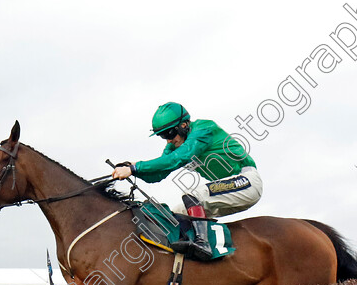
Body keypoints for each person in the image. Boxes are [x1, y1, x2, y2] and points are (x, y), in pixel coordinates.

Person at [112, 102, 262, 260]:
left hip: (247, 182)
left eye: (169, 134)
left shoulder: (204, 129)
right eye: (163, 136)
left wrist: (136, 168)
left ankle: (203, 244)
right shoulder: (173, 147)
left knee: (191, 194)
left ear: (184, 125)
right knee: (174, 215)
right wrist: (133, 169)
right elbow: (159, 174)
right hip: (225, 190)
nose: (168, 141)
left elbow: (180, 158)